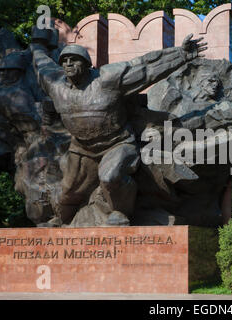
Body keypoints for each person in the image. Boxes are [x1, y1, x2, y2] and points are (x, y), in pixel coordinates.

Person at [30, 30, 207, 226]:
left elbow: (144, 67)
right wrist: (38, 43)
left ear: (88, 64)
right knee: (68, 192)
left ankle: (120, 212)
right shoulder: (55, 85)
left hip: (118, 144)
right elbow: (41, 63)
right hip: (82, 149)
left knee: (110, 176)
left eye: (75, 59)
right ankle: (63, 221)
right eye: (65, 60)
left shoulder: (108, 80)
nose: (69, 64)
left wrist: (180, 55)